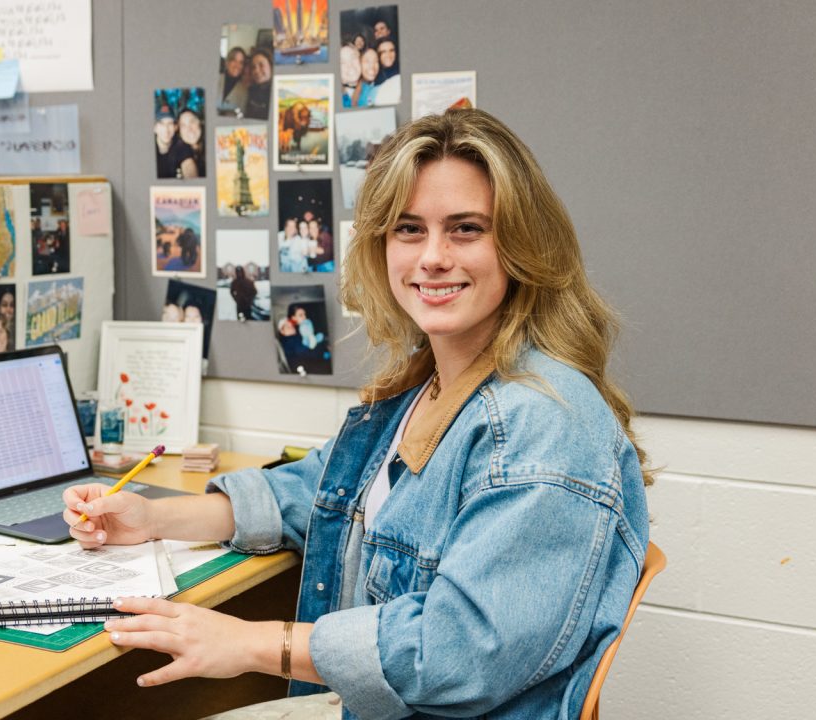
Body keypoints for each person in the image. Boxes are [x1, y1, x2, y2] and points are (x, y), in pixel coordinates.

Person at [61, 109, 652, 719]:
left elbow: (458, 653)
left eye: (467, 229)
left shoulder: (543, 421)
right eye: (409, 229)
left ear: (523, 244)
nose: (433, 257)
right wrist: (154, 518)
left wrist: (247, 643)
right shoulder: (435, 382)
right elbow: (322, 488)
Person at [219, 46, 250, 116]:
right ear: (227, 62)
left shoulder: (244, 90)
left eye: (241, 62)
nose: (237, 65)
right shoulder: (217, 78)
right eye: (234, 60)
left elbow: (241, 115)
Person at [244, 49, 272, 121]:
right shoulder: (251, 90)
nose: (256, 71)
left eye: (261, 65)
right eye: (253, 67)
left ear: (271, 66)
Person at [176, 108, 204, 179]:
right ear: (180, 132)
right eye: (183, 126)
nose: (189, 129)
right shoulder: (180, 150)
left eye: (192, 122)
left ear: (199, 123)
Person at [154, 107, 181, 179]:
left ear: (175, 127)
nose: (166, 129)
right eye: (161, 124)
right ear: (154, 128)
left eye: (170, 124)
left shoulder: (181, 147)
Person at [373, 38, 401, 105]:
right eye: (383, 52)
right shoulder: (373, 75)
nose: (388, 55)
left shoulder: (401, 70)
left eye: (391, 50)